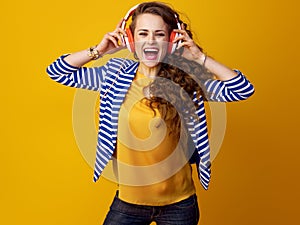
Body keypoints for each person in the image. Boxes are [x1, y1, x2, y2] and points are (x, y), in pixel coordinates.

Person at [46, 2, 254, 225]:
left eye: (159, 34)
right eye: (143, 33)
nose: (151, 41)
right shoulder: (113, 75)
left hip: (179, 205)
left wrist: (199, 58)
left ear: (172, 40)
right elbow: (58, 71)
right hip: (129, 203)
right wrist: (99, 50)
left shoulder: (185, 80)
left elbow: (241, 89)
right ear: (130, 39)